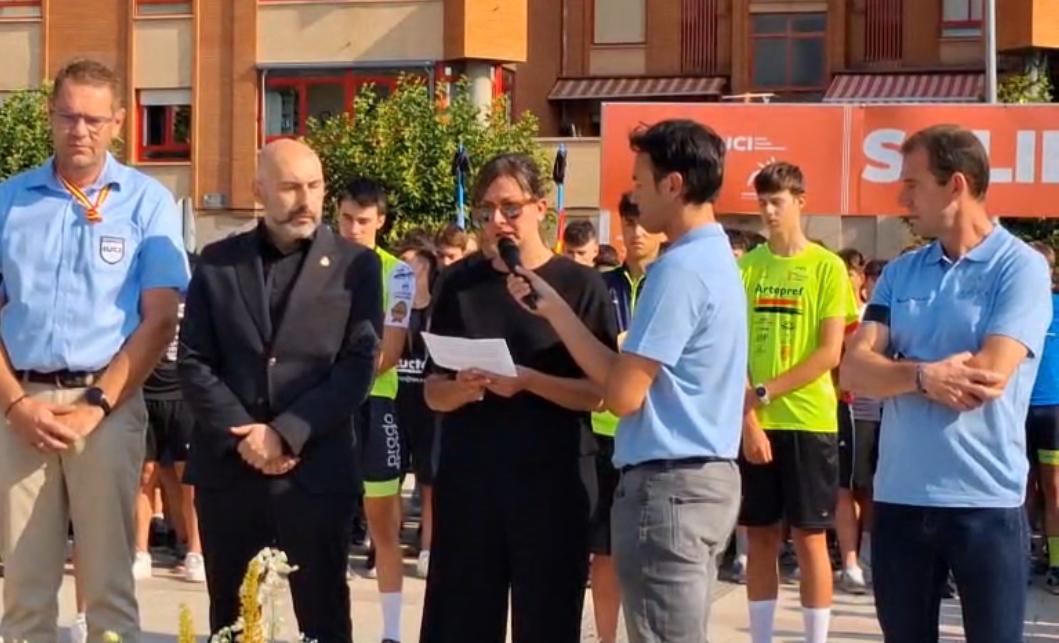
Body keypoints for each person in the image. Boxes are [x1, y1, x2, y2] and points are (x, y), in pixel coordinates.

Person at [507, 119, 748, 643]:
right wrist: (558, 312)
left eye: (641, 181)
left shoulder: (677, 270)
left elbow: (621, 396)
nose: (635, 196)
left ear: (674, 184)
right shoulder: (716, 257)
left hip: (668, 488)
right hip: (700, 481)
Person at [0, 58, 190, 642]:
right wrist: (15, 405)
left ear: (117, 122)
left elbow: (159, 321)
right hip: (20, 407)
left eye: (92, 119)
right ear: (49, 116)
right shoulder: (9, 200)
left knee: (109, 588)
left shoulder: (146, 202)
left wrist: (95, 406)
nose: (78, 130)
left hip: (106, 404)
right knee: (24, 592)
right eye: (66, 116)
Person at [840, 124, 1051, 643]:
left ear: (955, 185)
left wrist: (894, 370)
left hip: (986, 502)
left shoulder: (1018, 268)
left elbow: (987, 376)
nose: (901, 196)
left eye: (912, 183)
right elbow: (851, 368)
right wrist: (921, 374)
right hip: (900, 500)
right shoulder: (901, 272)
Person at [180, 140, 382, 642]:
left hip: (315, 473)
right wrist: (247, 436)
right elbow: (194, 361)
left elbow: (357, 366)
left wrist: (287, 434)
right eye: (291, 187)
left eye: (314, 186)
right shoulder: (218, 262)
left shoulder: (356, 266)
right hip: (231, 472)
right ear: (259, 191)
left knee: (324, 619)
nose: (305, 200)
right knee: (231, 619)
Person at [420, 153, 616, 643]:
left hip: (552, 484)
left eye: (510, 208)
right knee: (461, 621)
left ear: (541, 207)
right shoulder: (458, 282)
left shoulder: (579, 285)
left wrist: (529, 381)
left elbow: (600, 395)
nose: (497, 222)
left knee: (547, 621)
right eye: (486, 211)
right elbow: (432, 392)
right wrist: (461, 389)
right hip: (471, 482)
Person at [738, 161, 855, 643]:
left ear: (800, 202)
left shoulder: (826, 267)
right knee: (761, 534)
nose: (767, 211)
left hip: (809, 420)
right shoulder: (746, 268)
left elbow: (829, 352)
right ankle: (761, 636)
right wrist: (748, 417)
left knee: (810, 537)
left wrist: (765, 392)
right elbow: (733, 348)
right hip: (757, 423)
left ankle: (815, 637)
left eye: (777, 201)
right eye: (762, 201)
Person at [336, 178, 416, 643]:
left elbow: (391, 348)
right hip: (324, 408)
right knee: (317, 523)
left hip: (375, 403)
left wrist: (344, 375)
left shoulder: (398, 274)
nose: (353, 229)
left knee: (383, 524)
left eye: (363, 221)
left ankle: (390, 633)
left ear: (381, 222)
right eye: (345, 218)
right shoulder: (320, 265)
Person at [587, 191, 664, 643]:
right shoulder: (601, 285)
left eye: (642, 223)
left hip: (652, 435)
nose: (636, 233)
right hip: (602, 431)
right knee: (604, 554)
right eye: (627, 224)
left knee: (651, 555)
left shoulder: (671, 281)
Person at [134, 252, 205, 583]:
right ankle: (140, 551)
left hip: (183, 395)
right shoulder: (143, 293)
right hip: (147, 390)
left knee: (187, 476)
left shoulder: (198, 299)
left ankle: (194, 551)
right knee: (144, 473)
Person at [396, 243, 439, 579]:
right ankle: (382, 544)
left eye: (409, 266)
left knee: (428, 483)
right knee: (388, 480)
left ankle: (428, 548)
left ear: (424, 267)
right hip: (397, 401)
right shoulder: (396, 308)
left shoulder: (439, 309)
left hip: (429, 407)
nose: (404, 273)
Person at [834, 247, 873, 594]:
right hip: (792, 407)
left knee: (844, 489)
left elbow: (853, 359)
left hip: (838, 407)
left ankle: (851, 563)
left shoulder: (855, 318)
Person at [1026, 240, 1059, 593]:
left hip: (1052, 411)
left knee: (1053, 489)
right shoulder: (1012, 305)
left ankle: (1056, 563)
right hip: (1015, 409)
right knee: (1019, 489)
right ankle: (1019, 557)